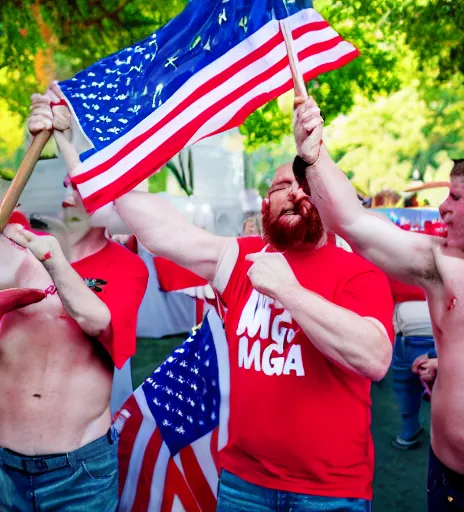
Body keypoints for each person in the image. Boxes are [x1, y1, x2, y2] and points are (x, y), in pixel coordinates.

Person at [49, 90, 394, 510]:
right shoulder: (242, 257)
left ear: (327, 197)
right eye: (282, 186)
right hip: (242, 484)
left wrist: (289, 291)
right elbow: (153, 224)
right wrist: (72, 141)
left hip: (329, 492)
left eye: (305, 185)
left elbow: (374, 359)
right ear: (266, 203)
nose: (294, 193)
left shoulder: (357, 268)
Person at [294, 95, 464, 511]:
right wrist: (314, 153)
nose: (441, 208)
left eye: (456, 197)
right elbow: (352, 222)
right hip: (449, 482)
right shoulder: (440, 262)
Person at [0, 89, 149, 512]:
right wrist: (35, 142)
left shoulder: (126, 265)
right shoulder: (23, 246)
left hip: (79, 474)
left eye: (84, 185)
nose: (72, 192)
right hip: (4, 468)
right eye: (69, 184)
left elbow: (96, 320)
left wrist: (55, 262)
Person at [389, 277, 436, 450]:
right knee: (405, 385)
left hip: (443, 333)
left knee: (448, 388)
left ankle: (413, 431)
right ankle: (410, 430)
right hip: (405, 335)